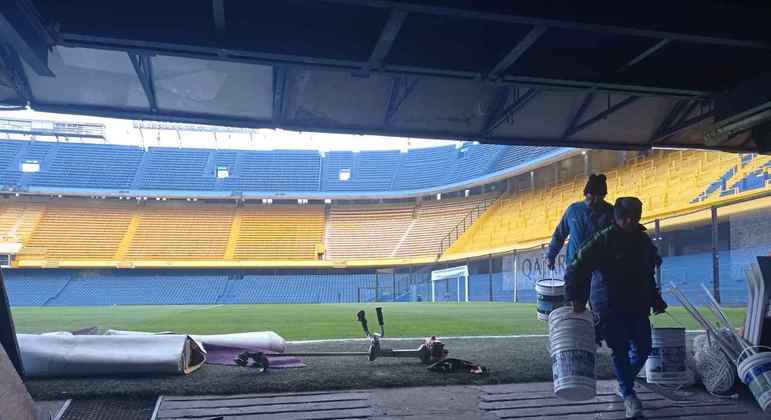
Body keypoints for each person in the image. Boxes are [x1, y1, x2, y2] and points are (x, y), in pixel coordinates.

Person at [563, 197, 668, 419]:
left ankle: (623, 384)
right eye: (626, 217)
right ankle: (629, 395)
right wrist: (575, 298)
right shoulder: (603, 240)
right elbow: (575, 267)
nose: (630, 221)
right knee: (620, 350)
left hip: (637, 303)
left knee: (644, 348)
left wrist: (656, 299)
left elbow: (648, 273)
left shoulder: (643, 241)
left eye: (634, 217)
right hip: (608, 305)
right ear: (617, 217)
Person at [546, 173, 614, 272]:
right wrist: (550, 255)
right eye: (589, 198)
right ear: (585, 195)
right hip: (573, 266)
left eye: (596, 200)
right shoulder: (573, 210)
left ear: (603, 197)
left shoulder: (610, 212)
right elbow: (560, 234)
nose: (591, 203)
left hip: (599, 270)